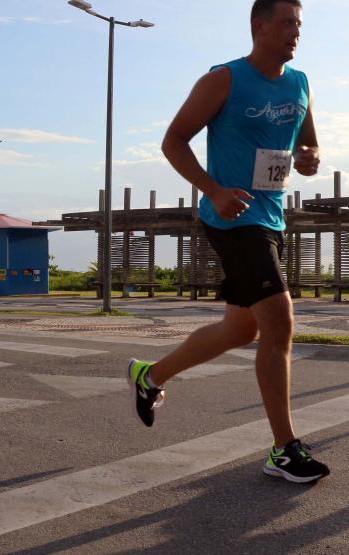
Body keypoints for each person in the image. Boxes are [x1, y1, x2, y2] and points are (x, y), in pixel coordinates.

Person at [126, 0, 329, 483]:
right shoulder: (224, 80)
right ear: (258, 27)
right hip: (231, 219)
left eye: (299, 24)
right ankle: (284, 448)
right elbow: (173, 140)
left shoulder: (300, 83)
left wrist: (310, 157)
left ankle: (149, 376)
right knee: (279, 320)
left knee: (241, 330)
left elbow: (310, 142)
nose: (294, 32)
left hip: (271, 216)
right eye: (286, 23)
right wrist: (213, 190)